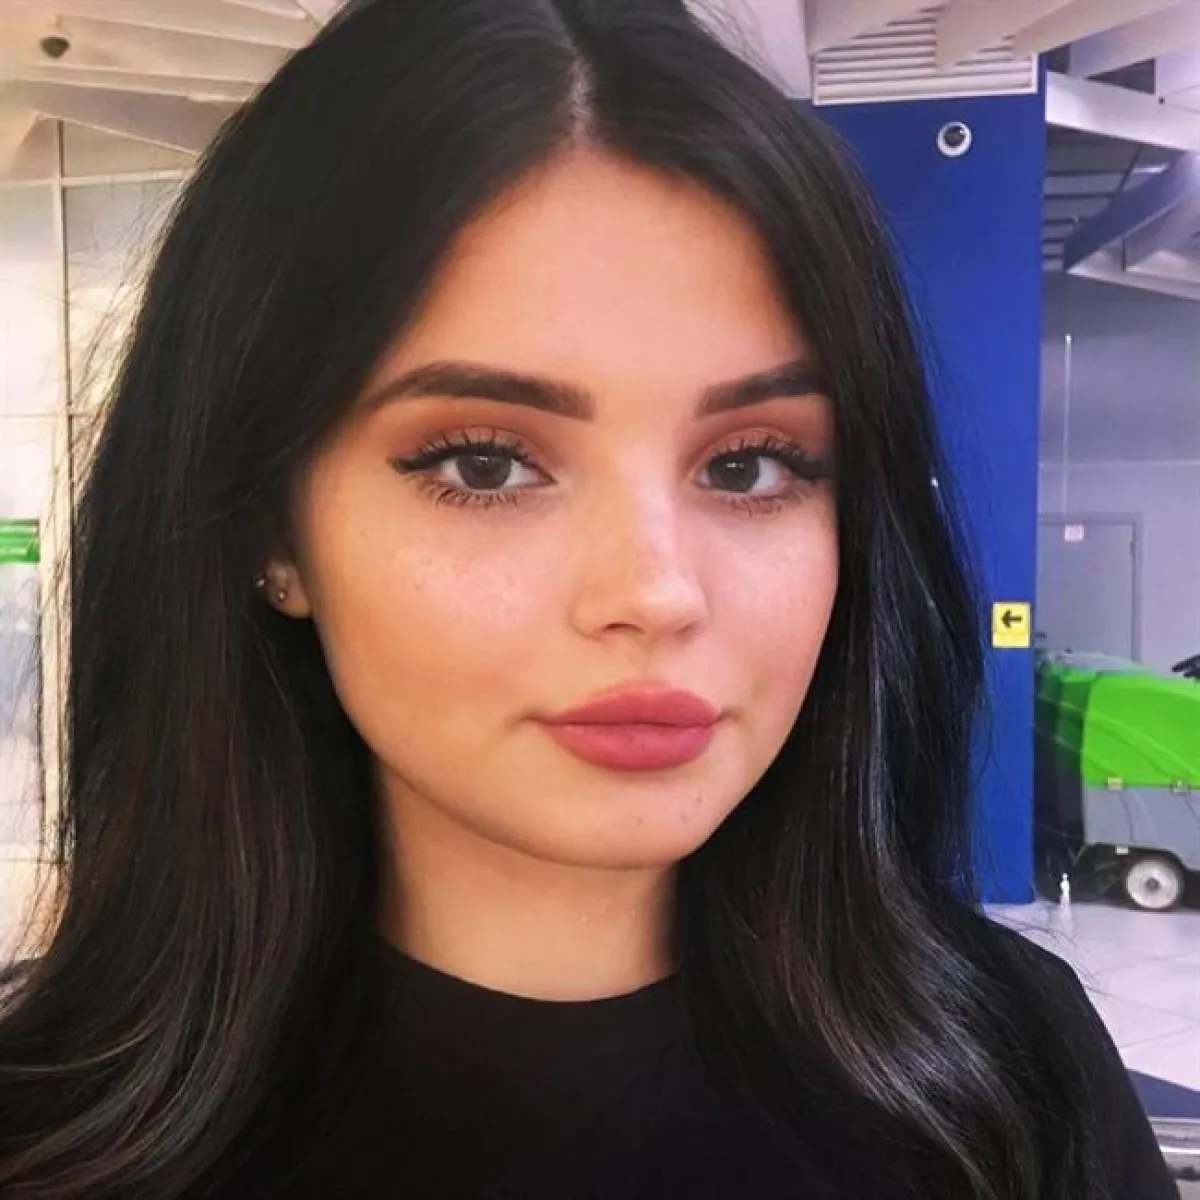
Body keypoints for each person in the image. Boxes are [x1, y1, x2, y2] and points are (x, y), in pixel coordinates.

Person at [0, 1, 1177, 1197]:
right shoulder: (44, 1136)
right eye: (484, 464)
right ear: (272, 531)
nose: (656, 594)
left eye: (749, 466)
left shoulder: (1014, 1089)